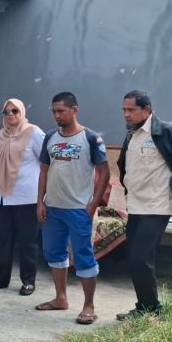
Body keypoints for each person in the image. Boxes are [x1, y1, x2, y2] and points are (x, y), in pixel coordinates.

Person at [115, 90, 172, 320]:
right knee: (136, 258)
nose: (126, 114)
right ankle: (145, 307)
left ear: (147, 110)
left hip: (157, 206)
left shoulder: (166, 130)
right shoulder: (132, 134)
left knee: (140, 257)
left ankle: (151, 309)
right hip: (136, 205)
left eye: (131, 110)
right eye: (124, 110)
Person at [35, 92, 110, 326]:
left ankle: (89, 306)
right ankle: (61, 298)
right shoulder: (50, 137)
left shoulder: (90, 138)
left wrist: (92, 204)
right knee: (54, 253)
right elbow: (44, 171)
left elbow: (104, 172)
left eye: (61, 111)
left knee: (83, 256)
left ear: (74, 109)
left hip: (78, 209)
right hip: (53, 208)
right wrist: (40, 201)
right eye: (54, 111)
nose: (57, 115)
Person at [0, 99, 45, 296]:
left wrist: (44, 196)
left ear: (22, 112)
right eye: (6, 111)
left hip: (26, 197)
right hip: (2, 197)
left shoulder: (34, 132)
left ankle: (28, 281)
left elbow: (46, 164)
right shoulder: (0, 135)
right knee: (3, 240)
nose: (10, 115)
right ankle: (1, 278)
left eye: (14, 111)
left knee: (27, 241)